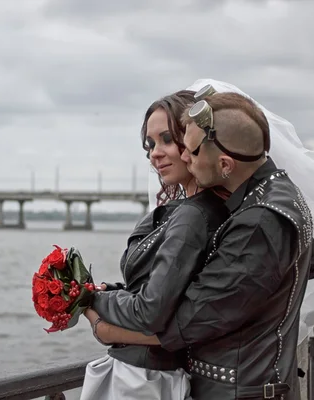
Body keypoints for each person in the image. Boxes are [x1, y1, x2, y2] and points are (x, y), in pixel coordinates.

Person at [84, 81, 314, 400]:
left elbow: (189, 320)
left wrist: (101, 317)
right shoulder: (267, 200)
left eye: (190, 150)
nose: (186, 160)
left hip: (241, 391)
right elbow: (305, 264)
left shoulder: (261, 219)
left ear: (224, 163)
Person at [78, 90, 231, 400]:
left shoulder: (193, 215)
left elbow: (153, 312)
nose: (155, 153)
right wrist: (118, 291)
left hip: (143, 382)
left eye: (166, 139)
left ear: (193, 141)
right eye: (150, 144)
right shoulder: (201, 210)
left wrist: (90, 302)